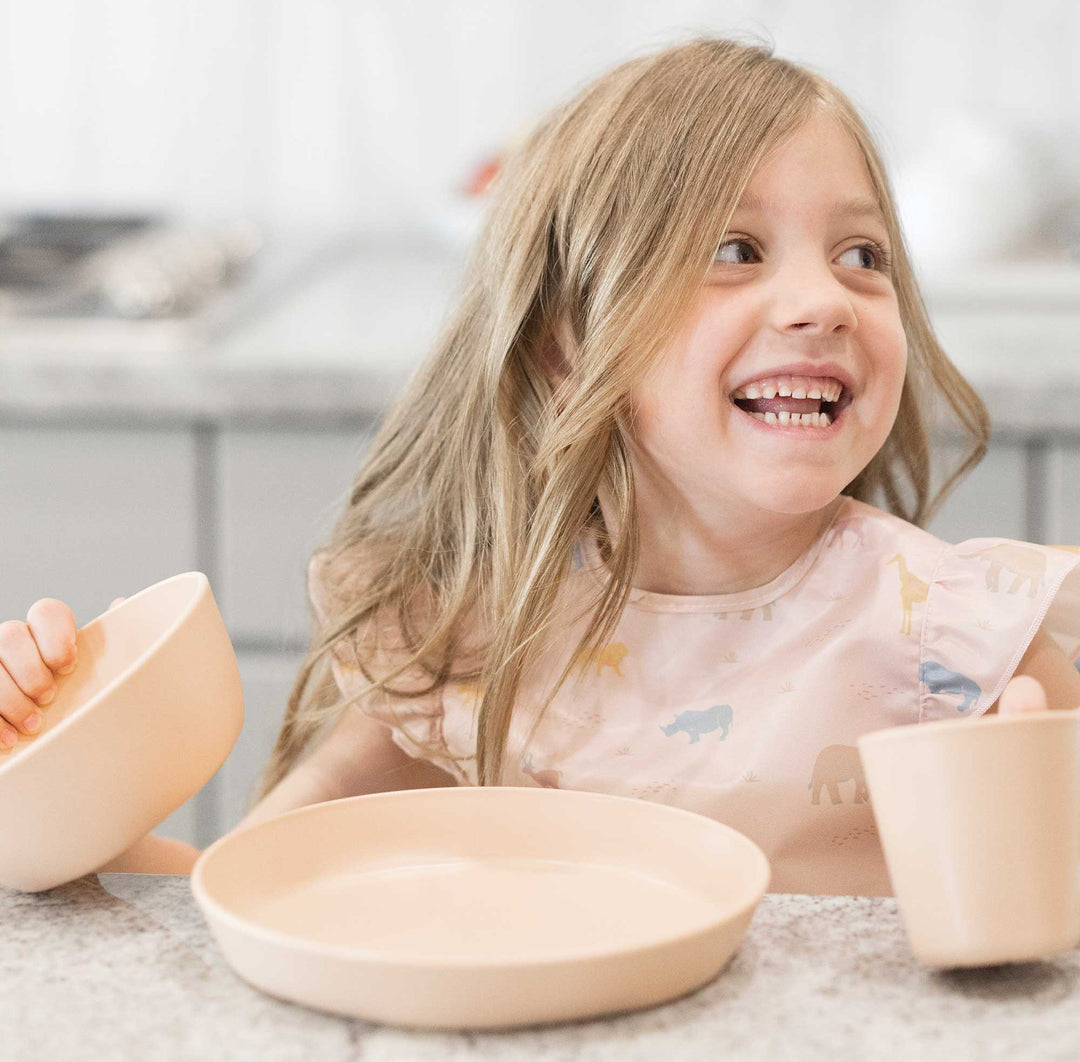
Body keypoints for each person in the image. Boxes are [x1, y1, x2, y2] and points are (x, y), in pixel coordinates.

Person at [4, 35, 1079, 892]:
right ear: (563, 346)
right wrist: (40, 790)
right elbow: (232, 914)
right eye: (735, 251)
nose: (824, 302)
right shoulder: (467, 640)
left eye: (863, 256)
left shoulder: (971, 642)